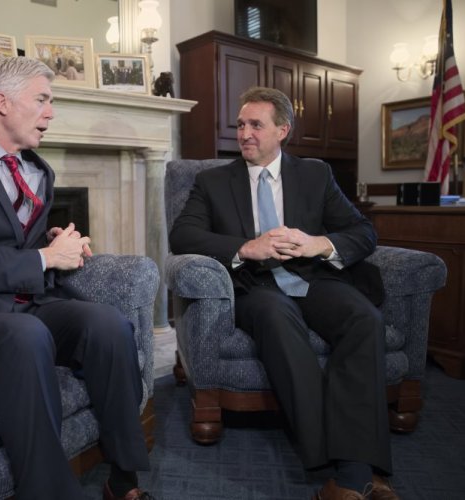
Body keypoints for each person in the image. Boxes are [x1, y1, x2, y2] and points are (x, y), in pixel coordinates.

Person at [0, 56, 154, 500]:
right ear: (2, 102)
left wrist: (58, 244)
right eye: (42, 99)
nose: (51, 112)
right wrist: (43, 257)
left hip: (31, 300)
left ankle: (125, 476)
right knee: (25, 336)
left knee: (110, 324)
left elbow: (23, 240)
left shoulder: (39, 170)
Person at [169, 86, 399, 500]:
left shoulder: (315, 174)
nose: (244, 134)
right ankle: (347, 471)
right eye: (240, 125)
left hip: (315, 279)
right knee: (278, 318)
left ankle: (353, 472)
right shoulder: (213, 181)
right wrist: (245, 248)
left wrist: (318, 243)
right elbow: (182, 234)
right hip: (256, 285)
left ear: (282, 131)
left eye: (256, 125)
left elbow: (362, 231)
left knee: (365, 319)